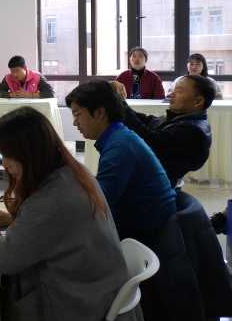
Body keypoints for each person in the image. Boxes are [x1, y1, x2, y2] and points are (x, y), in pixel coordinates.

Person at [0, 107, 147, 321]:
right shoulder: (72, 172)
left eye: (7, 155)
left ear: (28, 153)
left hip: (79, 311)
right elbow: (57, 230)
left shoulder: (51, 199)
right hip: (97, 294)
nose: (4, 164)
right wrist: (15, 222)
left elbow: (3, 259)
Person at [65, 81, 176, 240]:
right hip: (150, 222)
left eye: (77, 115)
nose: (75, 123)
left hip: (148, 234)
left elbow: (99, 204)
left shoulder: (119, 147)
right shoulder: (119, 136)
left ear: (100, 113)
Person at [111, 75, 214, 188]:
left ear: (198, 101)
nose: (170, 95)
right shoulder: (183, 118)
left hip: (152, 189)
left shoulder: (194, 131)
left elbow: (149, 140)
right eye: (172, 90)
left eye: (179, 91)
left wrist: (120, 101)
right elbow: (147, 121)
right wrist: (118, 100)